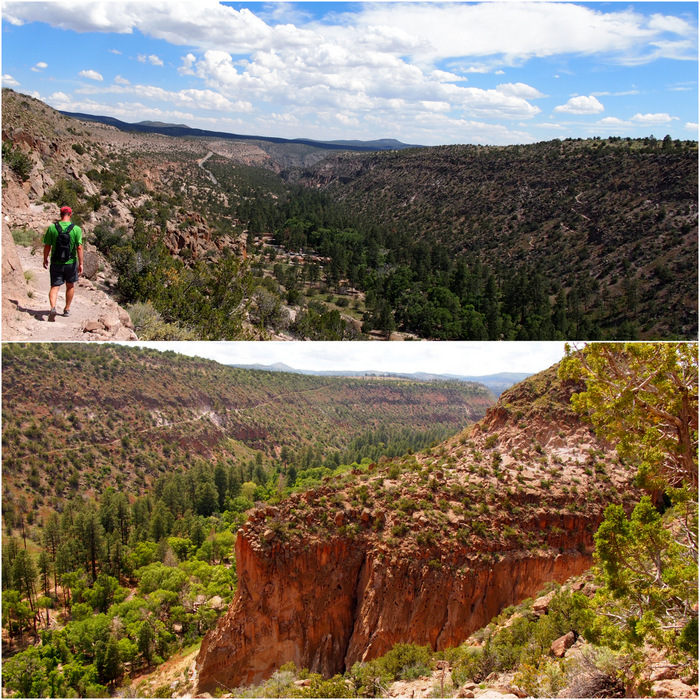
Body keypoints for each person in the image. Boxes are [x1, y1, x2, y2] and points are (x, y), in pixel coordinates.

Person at [43, 206, 83, 321]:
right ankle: (66, 309)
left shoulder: (52, 228)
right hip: (71, 262)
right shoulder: (76, 229)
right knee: (70, 285)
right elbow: (79, 248)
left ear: (60, 214)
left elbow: (47, 246)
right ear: (70, 215)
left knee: (54, 287)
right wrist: (81, 263)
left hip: (56, 262)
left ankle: (53, 307)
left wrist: (45, 258)